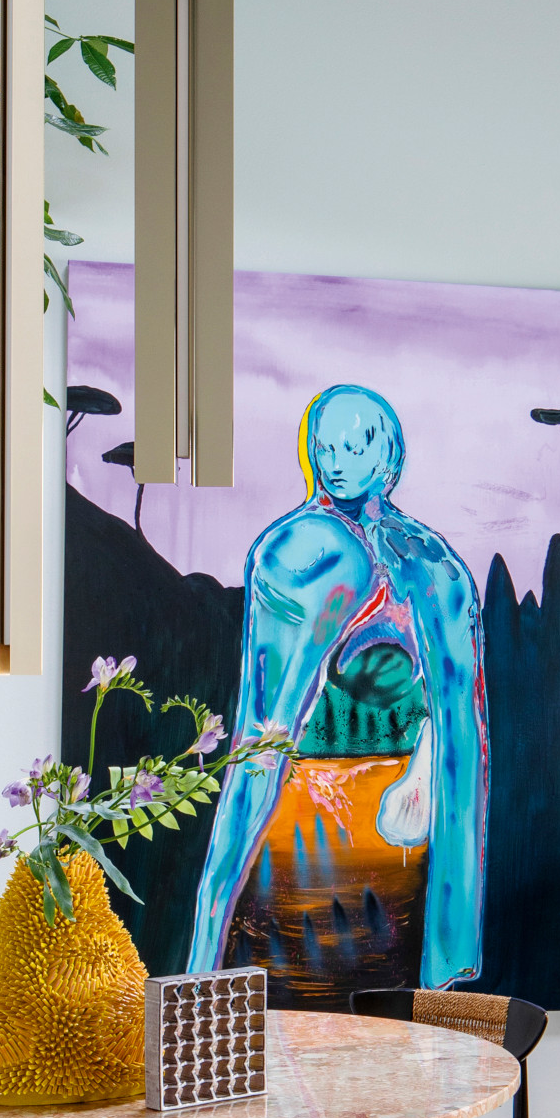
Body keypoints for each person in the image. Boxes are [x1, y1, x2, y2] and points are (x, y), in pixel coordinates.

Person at [185, 383, 488, 999]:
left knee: (363, 1033)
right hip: (311, 832)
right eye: (327, 445)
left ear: (389, 456)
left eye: (356, 445)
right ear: (311, 453)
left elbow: (462, 733)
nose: (338, 460)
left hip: (387, 852)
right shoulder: (307, 554)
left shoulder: (430, 565)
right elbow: (262, 736)